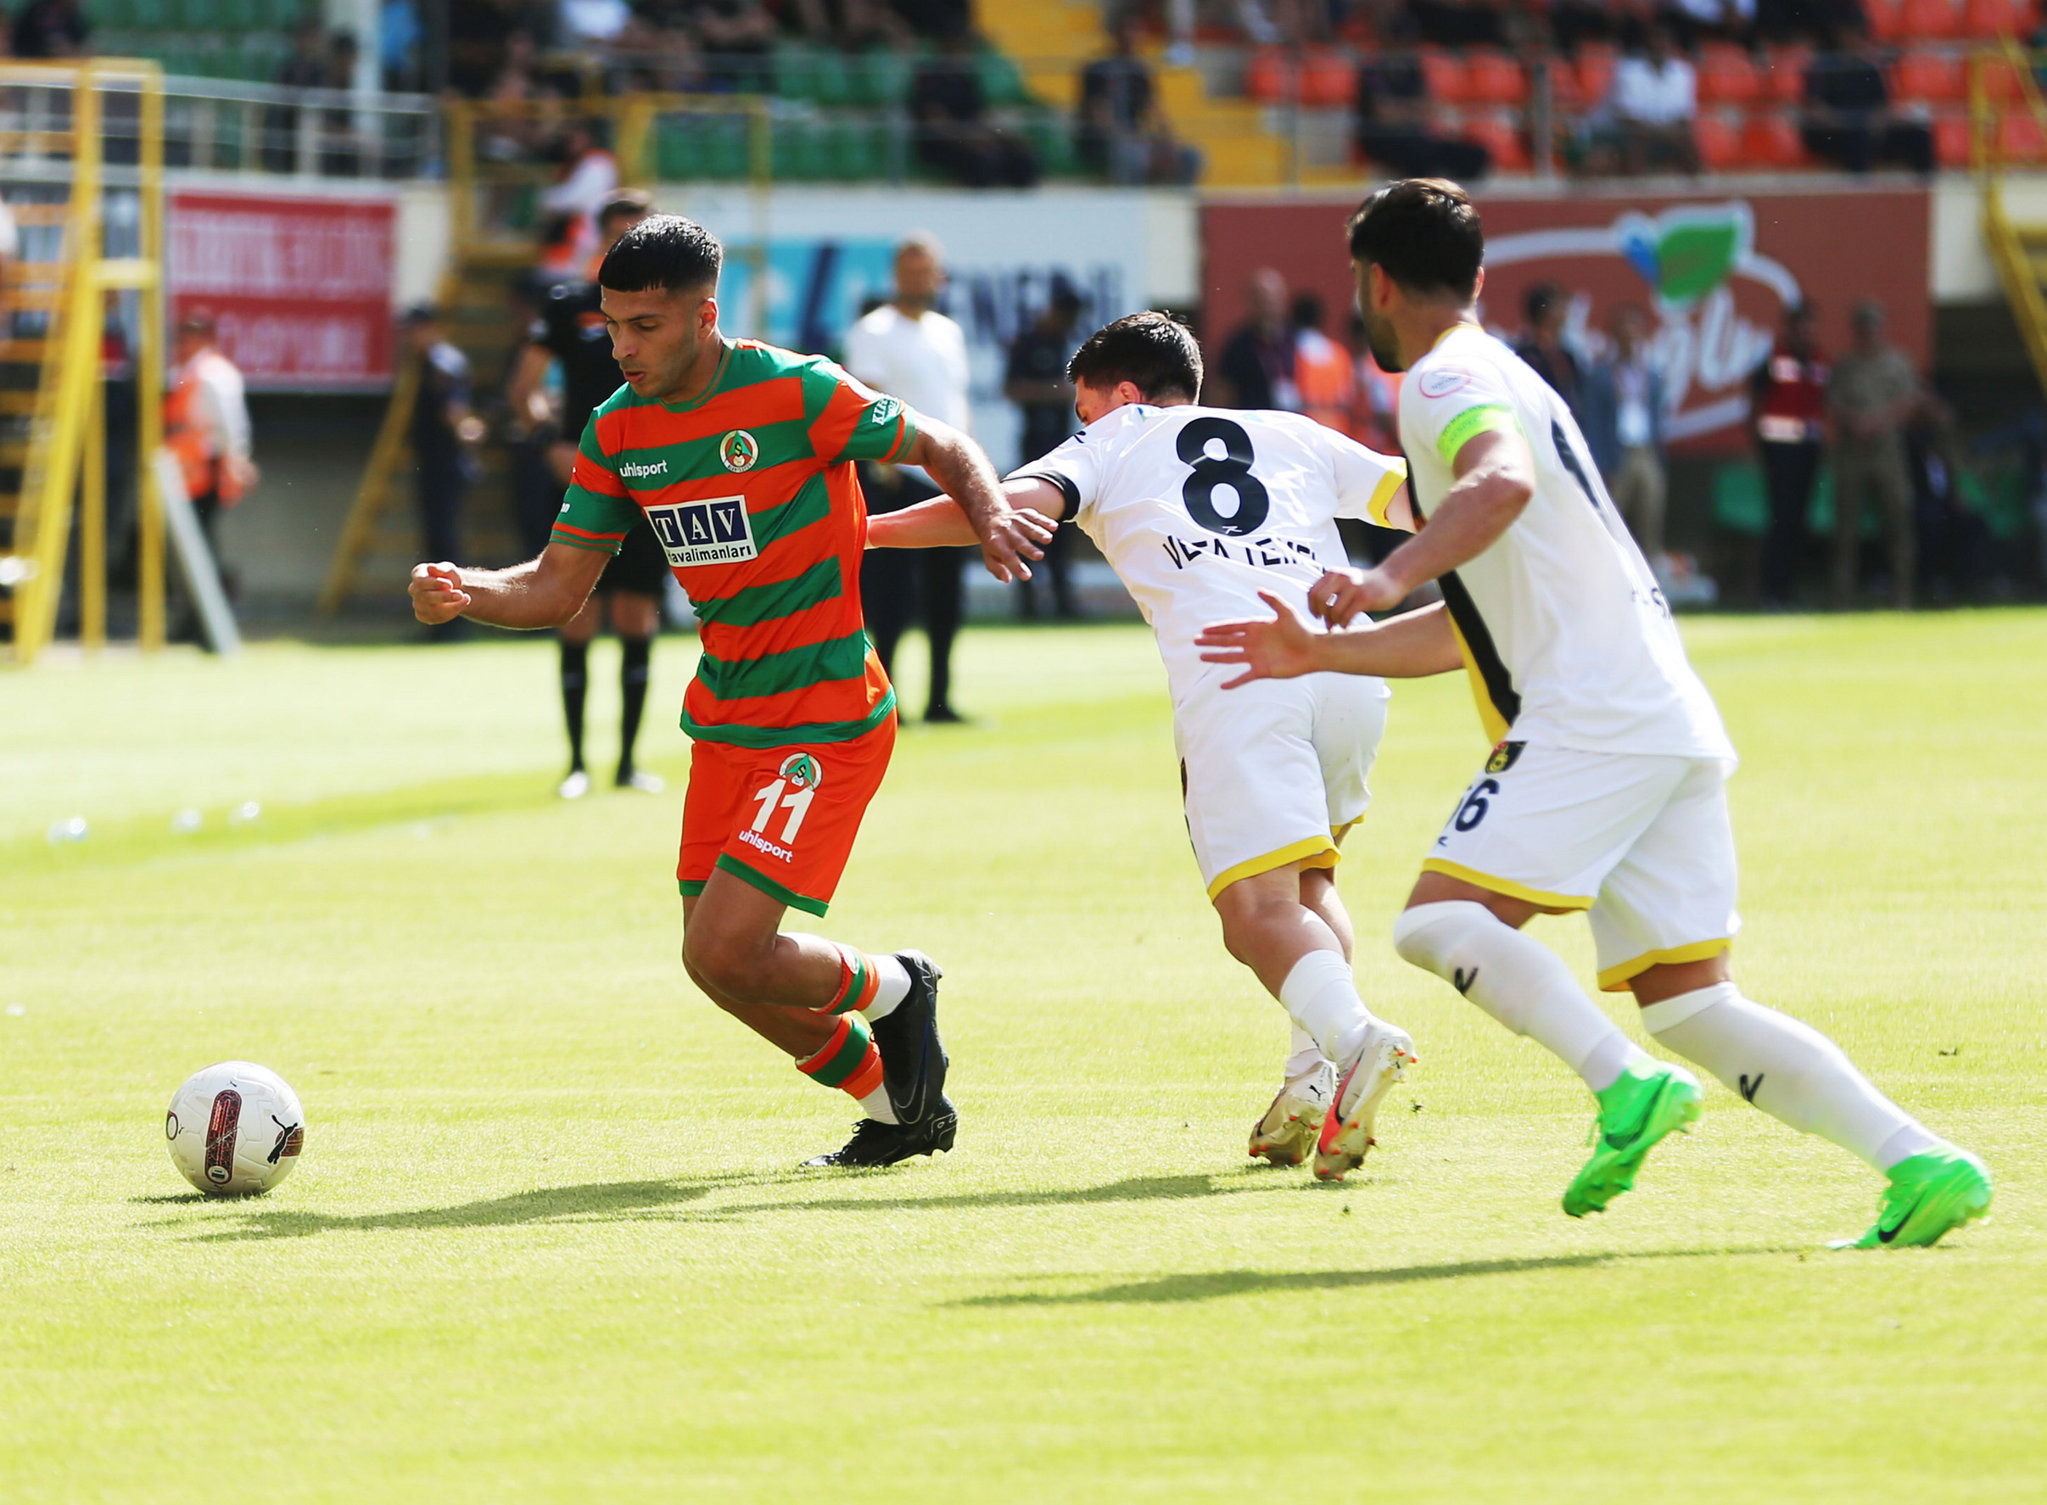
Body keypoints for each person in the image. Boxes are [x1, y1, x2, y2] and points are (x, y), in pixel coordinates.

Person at [1196, 179, 1991, 1248]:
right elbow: (1470, 620)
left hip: (1590, 715)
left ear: (1374, 281)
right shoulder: (1513, 372)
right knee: (1695, 1003)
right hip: (1660, 711)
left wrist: (1382, 577)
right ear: (1475, 276)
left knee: (1437, 920)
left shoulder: (1442, 379)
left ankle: (1621, 1086)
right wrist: (1325, 649)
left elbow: (1501, 483)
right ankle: (1921, 1160)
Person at [407, 214, 1045, 1167]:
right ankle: (894, 1109)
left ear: (705, 316)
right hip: (726, 721)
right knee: (719, 966)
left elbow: (943, 444)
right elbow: (553, 586)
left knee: (725, 950)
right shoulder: (617, 429)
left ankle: (898, 987)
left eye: (646, 325)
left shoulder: (798, 390)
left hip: (826, 715)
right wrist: (468, 591)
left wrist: (990, 515)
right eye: (611, 324)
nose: (622, 346)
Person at [869, 311, 1421, 1179]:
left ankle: (1356, 1039)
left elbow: (1005, 507)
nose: (1081, 423)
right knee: (1312, 882)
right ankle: (1309, 1083)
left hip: (1241, 676)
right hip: (1348, 666)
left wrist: (864, 531)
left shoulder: (1112, 441)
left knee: (1256, 912)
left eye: (1084, 406)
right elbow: (1418, 498)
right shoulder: (1288, 431)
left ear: (1122, 394)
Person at [510, 190, 670, 796]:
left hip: (651, 484)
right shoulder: (569, 306)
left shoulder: (672, 313)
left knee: (636, 616)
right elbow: (523, 387)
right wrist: (551, 440)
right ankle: (576, 763)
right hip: (583, 479)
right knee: (571, 611)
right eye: (619, 237)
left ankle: (628, 762)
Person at [845, 233, 975, 722]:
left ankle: (940, 699)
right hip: (899, 474)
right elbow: (868, 400)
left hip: (949, 479)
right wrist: (881, 470)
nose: (920, 280)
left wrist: (973, 466)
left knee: (947, 594)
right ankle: (885, 698)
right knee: (891, 596)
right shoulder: (874, 331)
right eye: (911, 271)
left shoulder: (947, 331)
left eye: (927, 271)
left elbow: (957, 407)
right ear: (896, 275)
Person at [1827, 299, 1923, 610]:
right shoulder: (1845, 365)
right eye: (1863, 325)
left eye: (1873, 325)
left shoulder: (1897, 363)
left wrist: (1878, 421)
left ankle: (1901, 594)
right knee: (1846, 528)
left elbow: (1909, 403)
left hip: (1887, 452)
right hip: (1852, 452)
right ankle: (1842, 596)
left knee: (1898, 521)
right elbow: (1833, 404)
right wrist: (1856, 422)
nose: (1869, 331)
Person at [163, 308, 257, 623]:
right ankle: (198, 614)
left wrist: (238, 461)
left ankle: (212, 613)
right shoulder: (186, 371)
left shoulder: (212, 372)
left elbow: (231, 425)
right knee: (193, 545)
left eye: (189, 335)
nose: (182, 342)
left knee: (200, 546)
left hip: (208, 470)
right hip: (188, 472)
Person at [1002, 281, 1085, 619]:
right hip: (1035, 442)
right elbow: (1011, 388)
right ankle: (1028, 604)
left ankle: (1064, 602)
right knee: (1027, 520)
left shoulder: (1066, 343)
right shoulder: (1027, 342)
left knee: (1062, 527)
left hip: (1062, 444)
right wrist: (1054, 394)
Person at [403, 303, 483, 639]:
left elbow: (456, 413)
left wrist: (468, 437)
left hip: (443, 464)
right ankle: (446, 622)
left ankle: (450, 623)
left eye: (414, 329)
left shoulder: (441, 363)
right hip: (438, 462)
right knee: (439, 541)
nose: (409, 337)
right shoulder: (433, 361)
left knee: (443, 545)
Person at [1581, 302, 1668, 569]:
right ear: (1613, 336)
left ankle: (1651, 583)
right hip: (1616, 455)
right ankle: (1605, 576)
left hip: (1645, 453)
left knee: (1650, 520)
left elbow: (1657, 417)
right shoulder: (1601, 375)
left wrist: (1660, 459)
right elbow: (1593, 423)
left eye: (1635, 330)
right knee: (1609, 521)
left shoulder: (1651, 375)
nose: (1630, 336)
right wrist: (1600, 464)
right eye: (1624, 330)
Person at [1752, 303, 1827, 609]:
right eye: (1801, 327)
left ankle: (1790, 588)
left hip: (1809, 451)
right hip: (1779, 452)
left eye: (1811, 327)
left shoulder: (1820, 361)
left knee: (1799, 522)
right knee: (1781, 522)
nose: (1806, 333)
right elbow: (1755, 401)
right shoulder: (1773, 360)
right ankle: (1772, 591)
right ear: (1790, 328)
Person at [1076, 8, 1200, 186]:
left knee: (1190, 156)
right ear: (1114, 33)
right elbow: (1100, 118)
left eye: (1136, 30)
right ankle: (1130, 205)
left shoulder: (1140, 71)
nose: (1132, 35)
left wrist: (1168, 139)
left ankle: (1174, 204)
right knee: (1132, 155)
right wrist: (1129, 137)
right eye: (1127, 29)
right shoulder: (1098, 69)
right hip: (1103, 141)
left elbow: (1155, 109)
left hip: (1136, 138)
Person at [909, 24, 1039, 189]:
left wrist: (1001, 134)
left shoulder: (966, 78)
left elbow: (981, 116)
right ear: (946, 46)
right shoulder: (929, 78)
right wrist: (969, 136)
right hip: (942, 140)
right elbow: (937, 123)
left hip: (972, 133)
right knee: (985, 156)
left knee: (1019, 152)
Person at [1803, 24, 1933, 175]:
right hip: (1834, 132)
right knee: (1857, 137)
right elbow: (1816, 111)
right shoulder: (1823, 68)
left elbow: (1882, 106)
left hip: (1869, 130)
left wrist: (1876, 122)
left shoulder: (1868, 69)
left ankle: (1924, 187)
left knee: (1918, 135)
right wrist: (1848, 122)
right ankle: (1859, 187)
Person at [1595, 25, 1699, 175]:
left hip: (1664, 131)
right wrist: (1659, 131)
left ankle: (1694, 189)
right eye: (1655, 43)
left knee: (1689, 142)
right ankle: (1635, 187)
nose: (1659, 47)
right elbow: (1626, 118)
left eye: (1663, 43)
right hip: (1624, 131)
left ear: (1671, 46)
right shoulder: (1627, 71)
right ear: (1646, 47)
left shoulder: (1683, 72)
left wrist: (1663, 132)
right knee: (1637, 140)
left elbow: (1684, 116)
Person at [1213, 268, 1298, 412]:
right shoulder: (1237, 345)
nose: (1268, 306)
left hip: (1296, 422)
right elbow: (1223, 391)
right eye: (1262, 300)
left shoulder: (1298, 339)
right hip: (1254, 425)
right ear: (1251, 301)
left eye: (1272, 299)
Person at [1291, 290, 1356, 438]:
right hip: (1337, 431)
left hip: (1305, 432)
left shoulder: (1293, 352)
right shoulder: (1339, 353)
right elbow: (1348, 398)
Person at [1514, 282, 1581, 417]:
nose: (1565, 313)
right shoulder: (1526, 357)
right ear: (1547, 312)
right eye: (1560, 306)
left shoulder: (1566, 356)